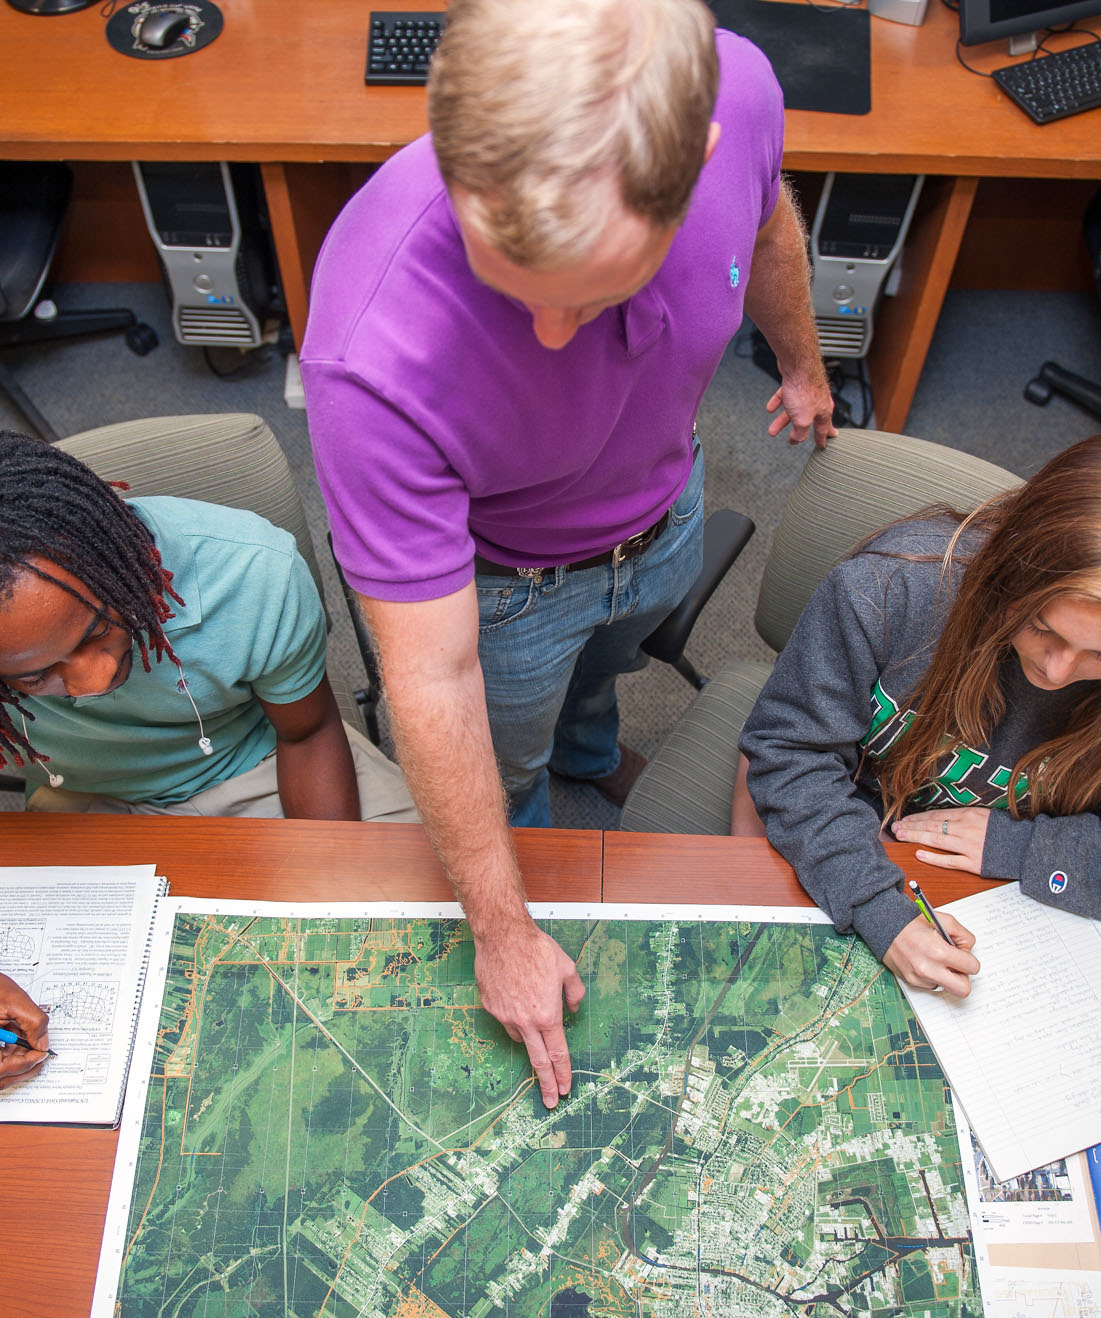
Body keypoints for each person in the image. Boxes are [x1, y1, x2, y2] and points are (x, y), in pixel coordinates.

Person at [301, 0, 838, 1110]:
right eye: (516, 287)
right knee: (511, 770)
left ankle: (591, 755)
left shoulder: (734, 92)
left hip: (663, 515)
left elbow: (771, 227)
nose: (556, 340)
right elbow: (432, 673)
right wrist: (498, 932)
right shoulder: (371, 353)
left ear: (698, 156)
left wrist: (802, 363)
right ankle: (546, 834)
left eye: (597, 295)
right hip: (501, 596)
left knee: (612, 673)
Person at [0, 429, 416, 1089]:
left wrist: (327, 901)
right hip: (82, 799)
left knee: (419, 943)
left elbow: (308, 732)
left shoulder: (251, 568)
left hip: (261, 759)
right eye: (34, 676)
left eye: (97, 631)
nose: (90, 681)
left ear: (123, 560)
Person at [739, 430, 1101, 998]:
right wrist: (873, 904)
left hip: (999, 876)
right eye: (1042, 627)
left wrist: (1032, 850)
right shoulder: (892, 588)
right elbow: (788, 752)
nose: (1057, 672)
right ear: (1011, 564)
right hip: (835, 822)